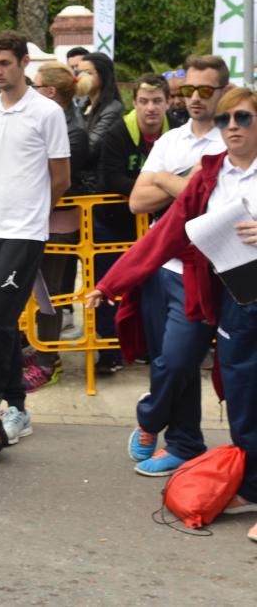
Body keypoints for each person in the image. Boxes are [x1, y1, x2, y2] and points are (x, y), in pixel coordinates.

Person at [87, 86, 257, 544]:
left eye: (242, 118)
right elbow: (162, 237)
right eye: (226, 122)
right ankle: (251, 483)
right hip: (233, 299)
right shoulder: (209, 176)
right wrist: (111, 283)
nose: (233, 128)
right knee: (242, 397)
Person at [113, 55, 228, 477]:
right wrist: (175, 180)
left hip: (208, 268)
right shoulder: (172, 140)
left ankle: (148, 418)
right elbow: (137, 201)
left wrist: (163, 180)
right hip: (163, 265)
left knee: (177, 361)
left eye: (205, 91)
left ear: (221, 92)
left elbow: (212, 204)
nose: (194, 99)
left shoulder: (230, 139)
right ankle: (184, 442)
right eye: (188, 90)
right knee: (163, 358)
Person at [0, 31, 70, 444]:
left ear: (23, 63)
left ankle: (10, 400)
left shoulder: (47, 113)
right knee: (1, 320)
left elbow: (60, 178)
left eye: (5, 63)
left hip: (25, 231)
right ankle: (4, 397)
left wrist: (33, 215)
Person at [22, 61, 92, 391]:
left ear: (49, 92)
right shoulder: (53, 122)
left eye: (34, 86)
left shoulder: (72, 130)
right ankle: (38, 350)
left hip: (59, 224)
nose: (30, 92)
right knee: (36, 293)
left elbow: (55, 178)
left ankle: (49, 362)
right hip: (38, 221)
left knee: (51, 295)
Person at [94, 73, 172, 369]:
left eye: (156, 101)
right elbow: (111, 178)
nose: (150, 107)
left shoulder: (176, 132)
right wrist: (162, 188)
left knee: (155, 288)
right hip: (112, 221)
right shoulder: (116, 133)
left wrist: (152, 192)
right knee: (108, 285)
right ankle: (109, 350)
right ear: (134, 103)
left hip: (160, 225)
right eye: (144, 101)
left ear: (166, 103)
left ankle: (151, 346)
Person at [75, 52, 124, 161]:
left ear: (103, 74)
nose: (81, 78)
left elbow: (91, 147)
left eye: (88, 73)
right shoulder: (82, 104)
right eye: (79, 73)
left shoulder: (112, 108)